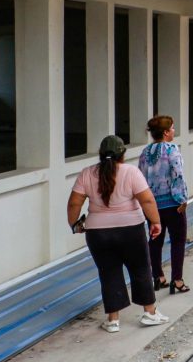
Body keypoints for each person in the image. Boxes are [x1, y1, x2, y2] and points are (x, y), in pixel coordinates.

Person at [67, 135, 168, 332]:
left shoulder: (87, 173)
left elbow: (74, 203)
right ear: (123, 154)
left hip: (98, 233)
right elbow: (147, 200)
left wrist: (74, 224)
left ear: (100, 154)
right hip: (131, 229)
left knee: (109, 272)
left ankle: (113, 320)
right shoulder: (131, 172)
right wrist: (155, 221)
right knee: (140, 268)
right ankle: (150, 313)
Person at [138, 115, 190, 294]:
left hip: (152, 205)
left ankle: (158, 276)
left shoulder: (145, 153)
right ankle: (177, 279)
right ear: (166, 132)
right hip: (173, 203)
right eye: (173, 128)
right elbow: (178, 175)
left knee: (155, 240)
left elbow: (140, 179)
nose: (174, 131)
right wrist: (182, 199)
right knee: (178, 241)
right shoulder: (172, 150)